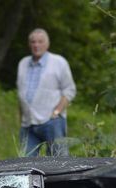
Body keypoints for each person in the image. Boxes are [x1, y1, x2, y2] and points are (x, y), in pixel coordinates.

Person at [16, 28, 76, 156]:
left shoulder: (59, 62)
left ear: (47, 44)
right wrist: (21, 119)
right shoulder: (23, 63)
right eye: (33, 42)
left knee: (58, 162)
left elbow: (69, 90)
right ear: (29, 44)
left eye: (40, 42)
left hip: (52, 122)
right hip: (28, 125)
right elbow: (20, 93)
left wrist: (57, 112)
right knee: (25, 164)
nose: (36, 45)